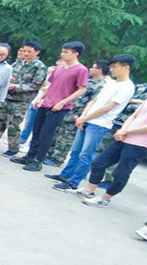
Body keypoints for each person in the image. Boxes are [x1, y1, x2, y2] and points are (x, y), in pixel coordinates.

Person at [46, 55, 135, 192]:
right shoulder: (111, 83)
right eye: (110, 67)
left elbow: (108, 107)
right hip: (86, 120)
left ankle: (74, 182)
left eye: (114, 67)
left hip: (99, 124)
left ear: (126, 67)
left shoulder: (127, 87)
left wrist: (85, 118)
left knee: (86, 155)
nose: (111, 69)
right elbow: (93, 101)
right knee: (75, 152)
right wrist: (83, 117)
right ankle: (65, 176)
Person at [71, 80, 147, 207]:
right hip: (124, 136)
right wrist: (123, 130)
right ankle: (89, 191)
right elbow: (134, 115)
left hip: (141, 143)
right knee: (98, 163)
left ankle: (105, 199)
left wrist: (127, 130)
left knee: (120, 173)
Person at [11, 41, 89, 171]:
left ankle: (38, 161)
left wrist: (63, 102)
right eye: (62, 51)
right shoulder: (59, 68)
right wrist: (40, 98)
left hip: (59, 107)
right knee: (36, 132)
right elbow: (51, 85)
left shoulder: (81, 70)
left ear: (76, 54)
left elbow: (82, 90)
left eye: (66, 52)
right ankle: (30, 156)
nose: (62, 54)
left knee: (46, 135)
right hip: (46, 103)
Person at [96, 63, 147, 188]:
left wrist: (134, 101)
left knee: (122, 158)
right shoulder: (141, 87)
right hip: (120, 122)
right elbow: (125, 99)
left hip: (135, 129)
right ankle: (94, 177)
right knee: (103, 150)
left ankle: (109, 181)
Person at [0, 41, 47, 157]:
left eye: (29, 51)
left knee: (13, 124)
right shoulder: (19, 63)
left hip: (21, 100)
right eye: (24, 50)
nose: (25, 53)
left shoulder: (39, 67)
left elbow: (35, 85)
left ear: (37, 52)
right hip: (7, 96)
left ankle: (13, 148)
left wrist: (16, 86)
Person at [44, 60, 110, 166]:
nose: (90, 69)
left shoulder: (101, 86)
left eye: (93, 67)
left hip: (79, 114)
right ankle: (49, 154)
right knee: (59, 133)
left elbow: (93, 102)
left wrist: (83, 115)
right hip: (70, 109)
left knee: (67, 137)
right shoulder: (89, 81)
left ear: (100, 70)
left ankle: (57, 159)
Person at [20, 59, 64, 147]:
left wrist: (45, 89)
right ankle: (22, 140)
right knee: (29, 122)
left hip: (47, 103)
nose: (59, 64)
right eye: (58, 62)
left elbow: (50, 88)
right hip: (38, 99)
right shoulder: (50, 73)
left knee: (38, 126)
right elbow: (42, 85)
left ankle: (31, 145)